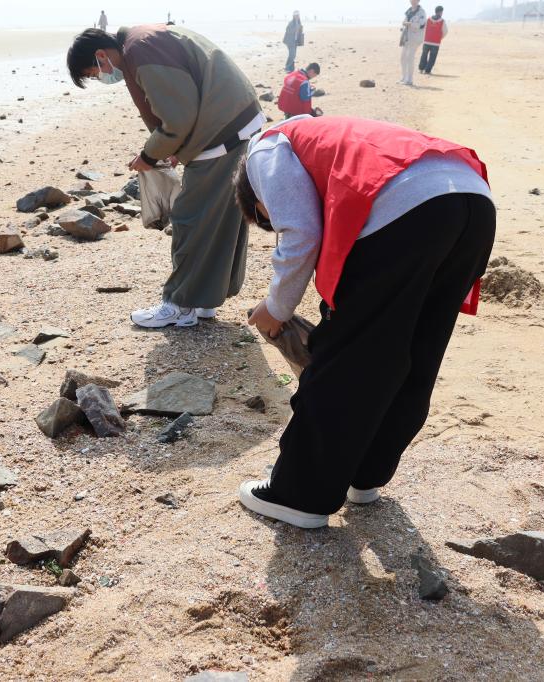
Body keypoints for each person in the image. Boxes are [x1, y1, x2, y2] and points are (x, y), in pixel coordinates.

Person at [232, 115, 495, 528]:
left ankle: (300, 496)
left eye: (265, 220)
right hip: (473, 202)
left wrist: (276, 308)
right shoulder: (322, 133)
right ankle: (364, 474)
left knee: (348, 358)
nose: (271, 224)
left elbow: (300, 230)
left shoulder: (265, 151)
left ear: (254, 199)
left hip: (405, 209)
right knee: (416, 349)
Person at [67, 26, 264, 328]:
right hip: (235, 121)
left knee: (188, 218)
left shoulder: (141, 51)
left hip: (221, 131)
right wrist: (174, 149)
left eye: (94, 73)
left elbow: (178, 118)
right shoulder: (144, 41)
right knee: (221, 219)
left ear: (101, 55)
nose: (101, 77)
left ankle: (179, 305)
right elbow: (184, 100)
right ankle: (204, 300)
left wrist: (149, 155)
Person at [399, 0, 428, 85]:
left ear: (418, 1)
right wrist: (405, 23)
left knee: (409, 57)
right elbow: (404, 22)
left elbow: (422, 24)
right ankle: (404, 77)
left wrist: (410, 24)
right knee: (403, 58)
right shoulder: (409, 11)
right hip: (407, 37)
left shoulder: (421, 12)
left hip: (415, 38)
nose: (413, 1)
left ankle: (410, 80)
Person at [419, 6, 448, 74]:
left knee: (424, 55)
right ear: (440, 12)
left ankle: (421, 69)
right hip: (435, 43)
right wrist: (440, 38)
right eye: (442, 12)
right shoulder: (442, 21)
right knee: (432, 57)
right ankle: (427, 71)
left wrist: (425, 37)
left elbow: (423, 29)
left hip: (426, 41)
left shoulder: (428, 19)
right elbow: (445, 31)